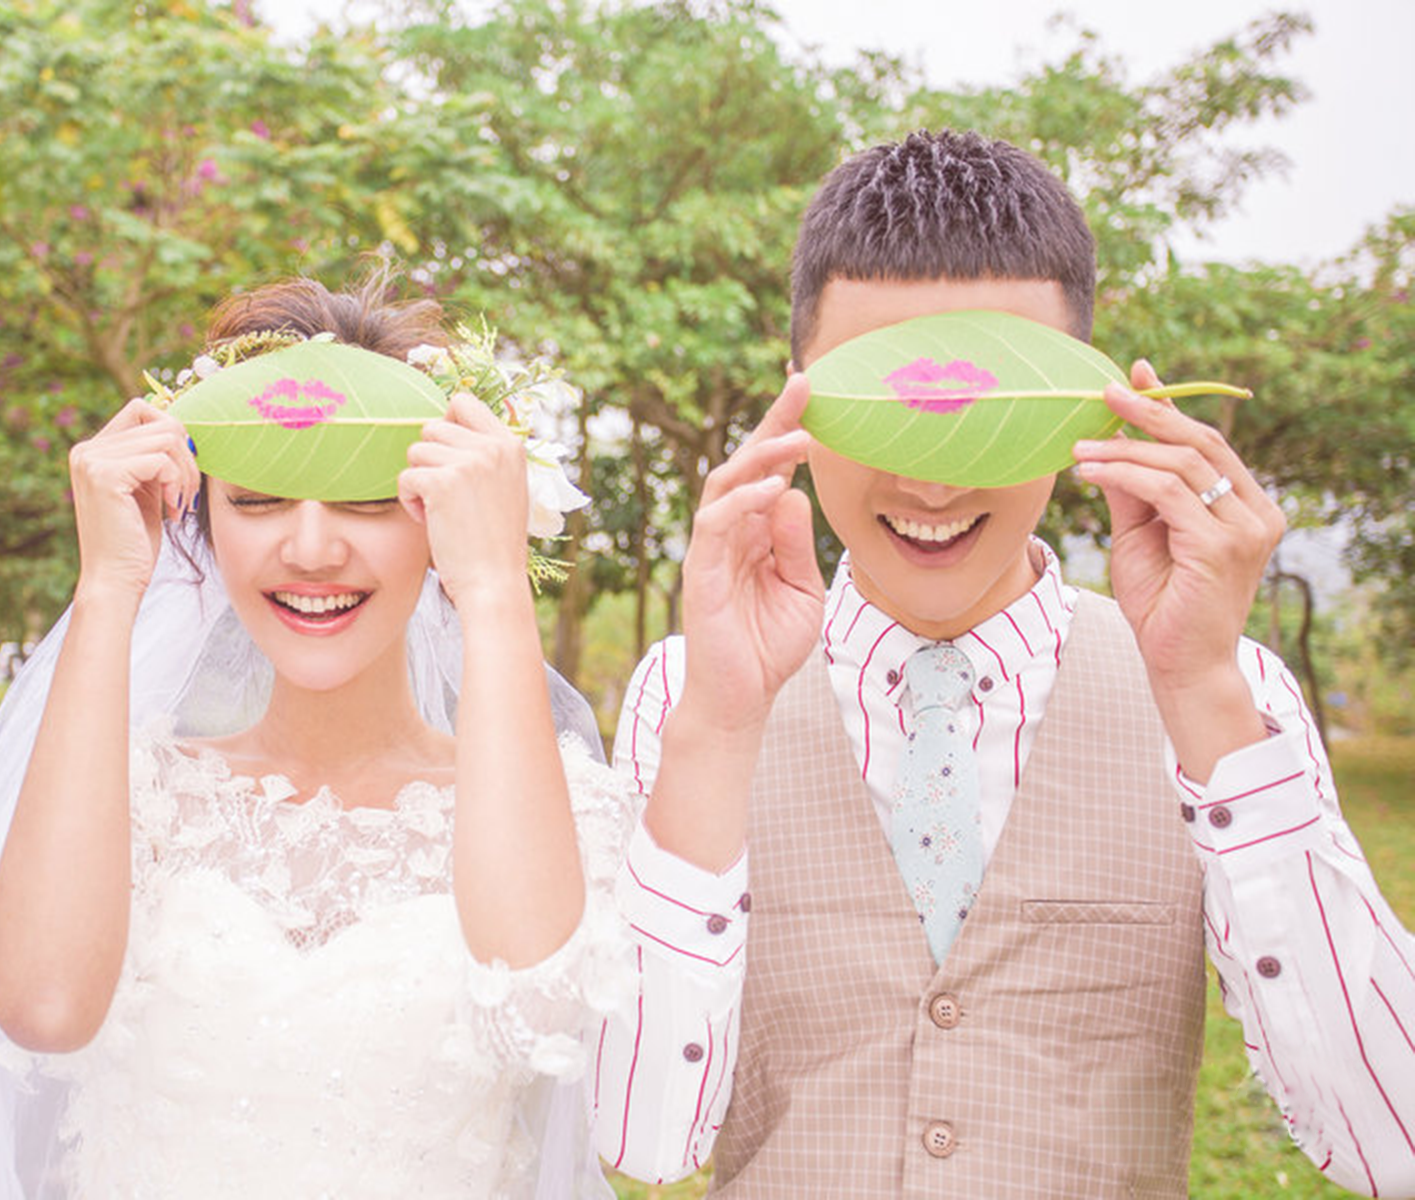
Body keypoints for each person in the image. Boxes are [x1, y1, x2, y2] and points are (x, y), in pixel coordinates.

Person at [593, 131, 1415, 1197]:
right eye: (892, 407)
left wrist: (1201, 691)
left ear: (1086, 405)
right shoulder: (685, 693)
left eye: (989, 415)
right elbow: (642, 1142)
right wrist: (715, 730)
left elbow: (1394, 1140)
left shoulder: (1230, 693)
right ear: (797, 398)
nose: (935, 483)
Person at [0, 270, 633, 1198]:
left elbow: (534, 1013)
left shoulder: (560, 807)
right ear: (200, 516)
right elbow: (43, 1010)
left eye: (368, 499)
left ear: (442, 520)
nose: (313, 549)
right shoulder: (140, 799)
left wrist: (492, 589)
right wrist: (108, 586)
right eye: (259, 499)